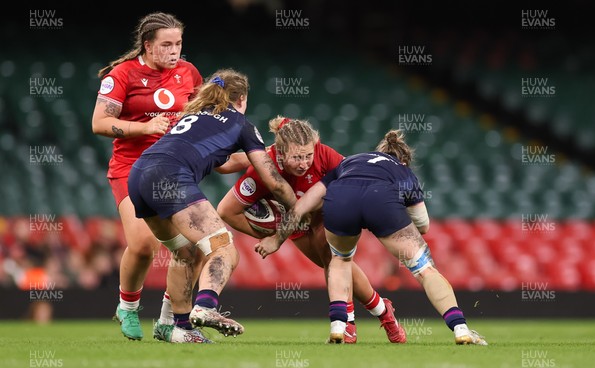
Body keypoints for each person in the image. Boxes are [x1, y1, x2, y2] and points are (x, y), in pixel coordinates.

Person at [92, 12, 249, 343]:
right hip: (131, 167)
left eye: (178, 43)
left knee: (195, 248)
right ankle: (127, 307)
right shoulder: (122, 75)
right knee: (144, 244)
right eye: (166, 44)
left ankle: (170, 322)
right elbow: (99, 123)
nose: (174, 50)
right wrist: (144, 128)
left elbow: (204, 118)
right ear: (148, 46)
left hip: (176, 167)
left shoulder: (188, 73)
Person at [256, 130, 488, 345]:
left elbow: (302, 206)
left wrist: (276, 240)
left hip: (341, 199)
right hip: (382, 202)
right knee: (424, 269)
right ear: (403, 160)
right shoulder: (403, 171)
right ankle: (461, 330)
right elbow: (424, 225)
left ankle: (339, 326)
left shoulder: (350, 162)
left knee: (339, 260)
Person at [127, 68, 298, 341]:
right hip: (171, 177)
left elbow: (224, 164)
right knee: (224, 248)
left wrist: (262, 155)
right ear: (241, 98)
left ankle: (176, 327)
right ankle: (206, 307)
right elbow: (274, 182)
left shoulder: (194, 115)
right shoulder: (242, 124)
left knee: (185, 253)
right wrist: (299, 209)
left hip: (139, 175)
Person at [217, 116, 406, 343]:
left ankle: (348, 325)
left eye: (308, 156)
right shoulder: (264, 169)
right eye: (297, 157)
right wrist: (268, 233)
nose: (304, 163)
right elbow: (227, 211)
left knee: (332, 256)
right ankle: (384, 313)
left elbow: (352, 182)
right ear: (280, 152)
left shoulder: (324, 154)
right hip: (295, 223)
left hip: (328, 211)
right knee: (334, 267)